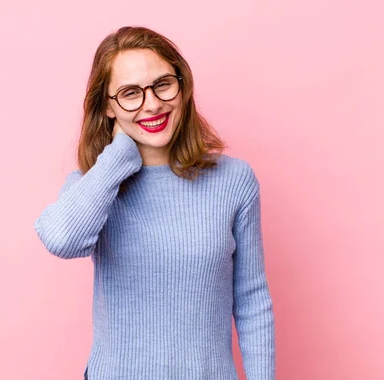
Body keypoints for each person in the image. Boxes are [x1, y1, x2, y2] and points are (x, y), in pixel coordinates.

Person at [34, 26, 275, 380]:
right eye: (130, 93)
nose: (152, 103)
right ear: (108, 107)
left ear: (182, 86)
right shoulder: (95, 187)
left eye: (162, 84)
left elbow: (253, 300)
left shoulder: (233, 181)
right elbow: (61, 240)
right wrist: (116, 161)